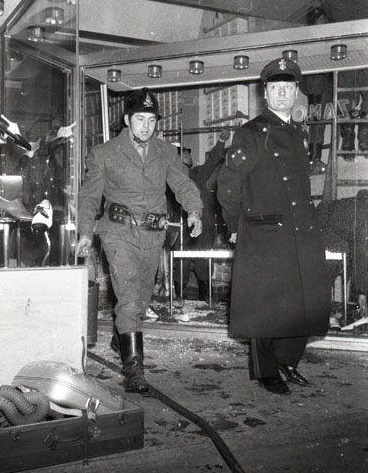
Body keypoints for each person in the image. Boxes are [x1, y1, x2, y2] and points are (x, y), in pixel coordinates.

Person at [76, 87, 203, 393]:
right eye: (140, 119)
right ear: (127, 120)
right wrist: (85, 232)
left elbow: (183, 185)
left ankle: (122, 338)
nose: (146, 126)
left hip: (153, 235)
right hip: (118, 233)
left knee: (140, 300)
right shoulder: (104, 153)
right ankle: (134, 371)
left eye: (151, 120)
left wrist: (194, 210)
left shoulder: (166, 152)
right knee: (130, 296)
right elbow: (90, 197)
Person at [217, 57, 331, 395]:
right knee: (264, 306)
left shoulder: (298, 133)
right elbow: (228, 185)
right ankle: (267, 370)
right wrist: (234, 225)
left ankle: (287, 361)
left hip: (299, 231)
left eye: (288, 88)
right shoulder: (251, 133)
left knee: (303, 299)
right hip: (264, 232)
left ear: (296, 93)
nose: (282, 93)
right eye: (275, 88)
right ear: (264, 93)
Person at [174, 131, 231, 301]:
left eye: (188, 154)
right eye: (185, 154)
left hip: (204, 225)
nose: (189, 157)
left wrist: (220, 142)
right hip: (182, 227)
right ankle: (179, 302)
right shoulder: (172, 177)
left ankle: (205, 302)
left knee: (203, 262)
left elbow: (212, 161)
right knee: (182, 263)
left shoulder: (198, 173)